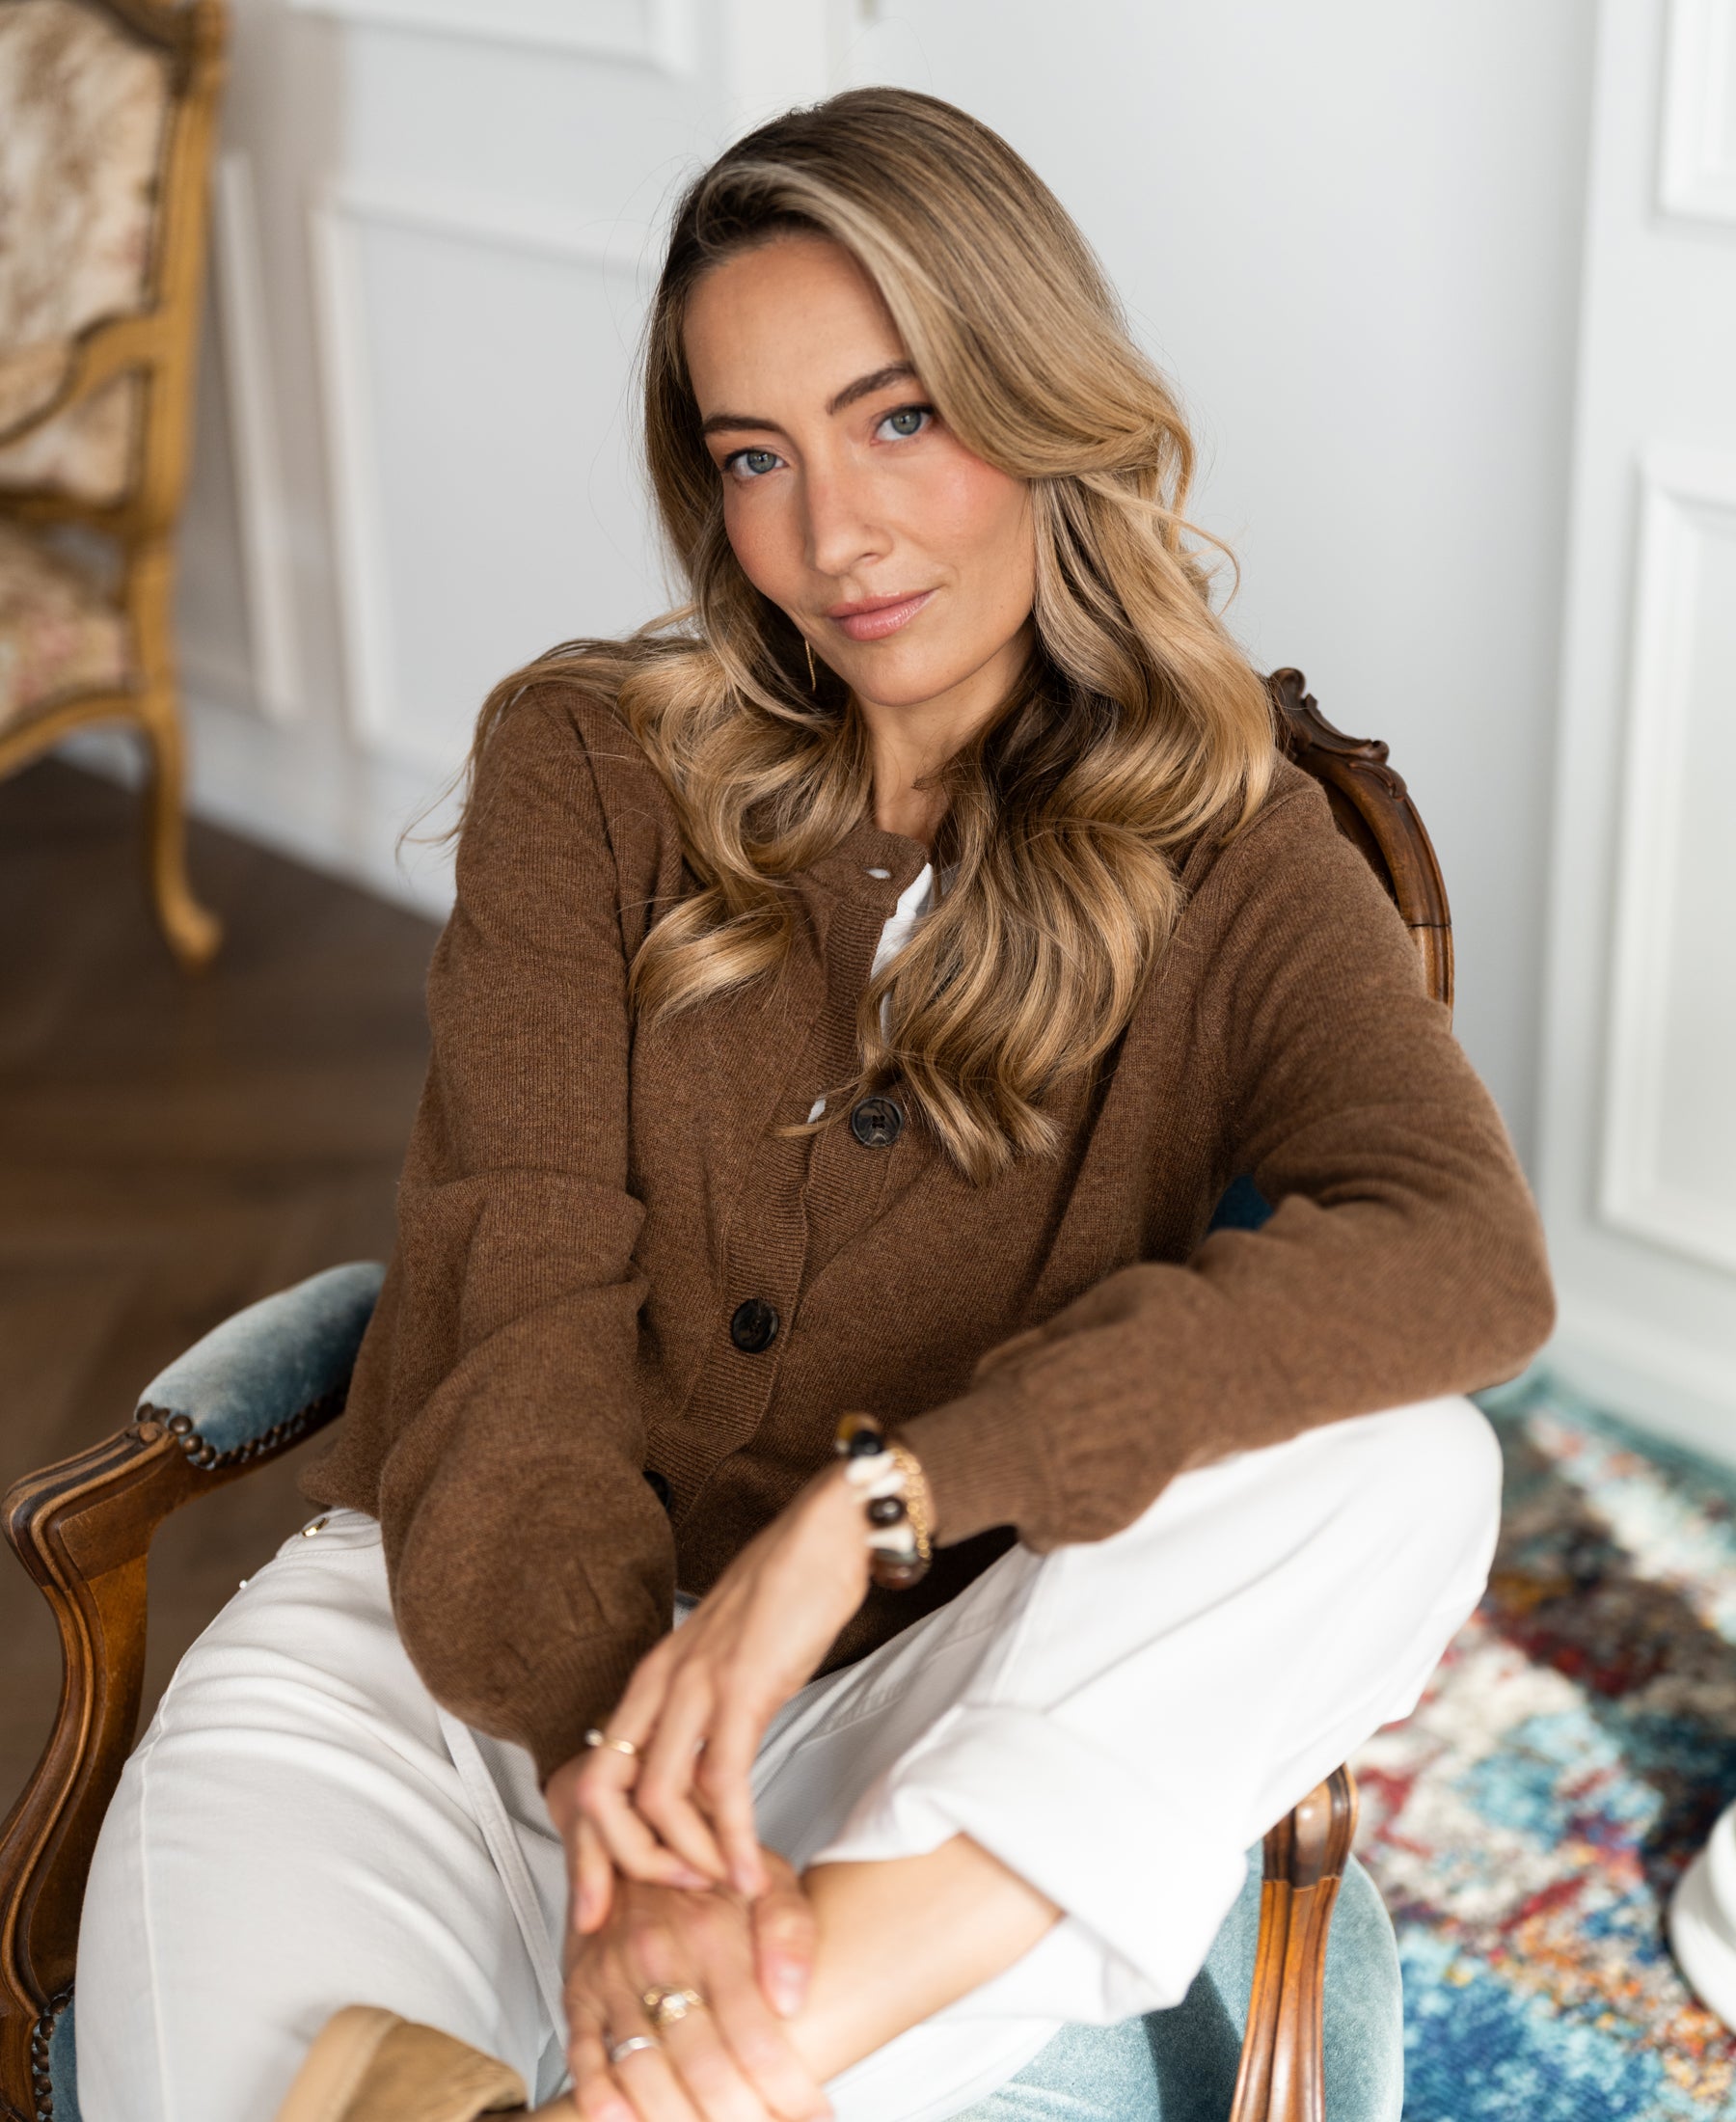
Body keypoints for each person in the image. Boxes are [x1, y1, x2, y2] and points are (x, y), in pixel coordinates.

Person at [74, 87, 1554, 2122]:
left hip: (891, 1740)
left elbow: (1465, 1257)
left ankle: (688, 2052)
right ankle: (701, 2056)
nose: (832, 537)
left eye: (902, 418)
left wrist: (870, 1516)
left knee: (1411, 1471)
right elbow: (519, 1295)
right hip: (436, 1678)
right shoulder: (588, 764)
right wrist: (624, 1777)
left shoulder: (1236, 861)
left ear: (1040, 401)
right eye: (754, 455)